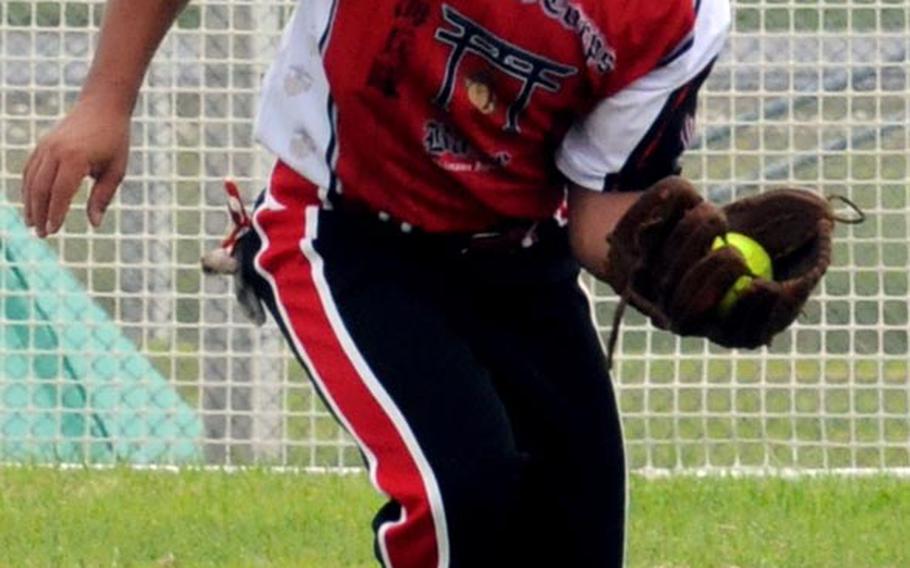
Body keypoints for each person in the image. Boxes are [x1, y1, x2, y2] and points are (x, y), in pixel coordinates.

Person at [21, 0, 731, 565]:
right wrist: (104, 101)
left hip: (517, 259)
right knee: (455, 491)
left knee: (577, 513)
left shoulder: (679, 18)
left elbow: (596, 215)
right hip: (344, 230)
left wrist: (687, 275)